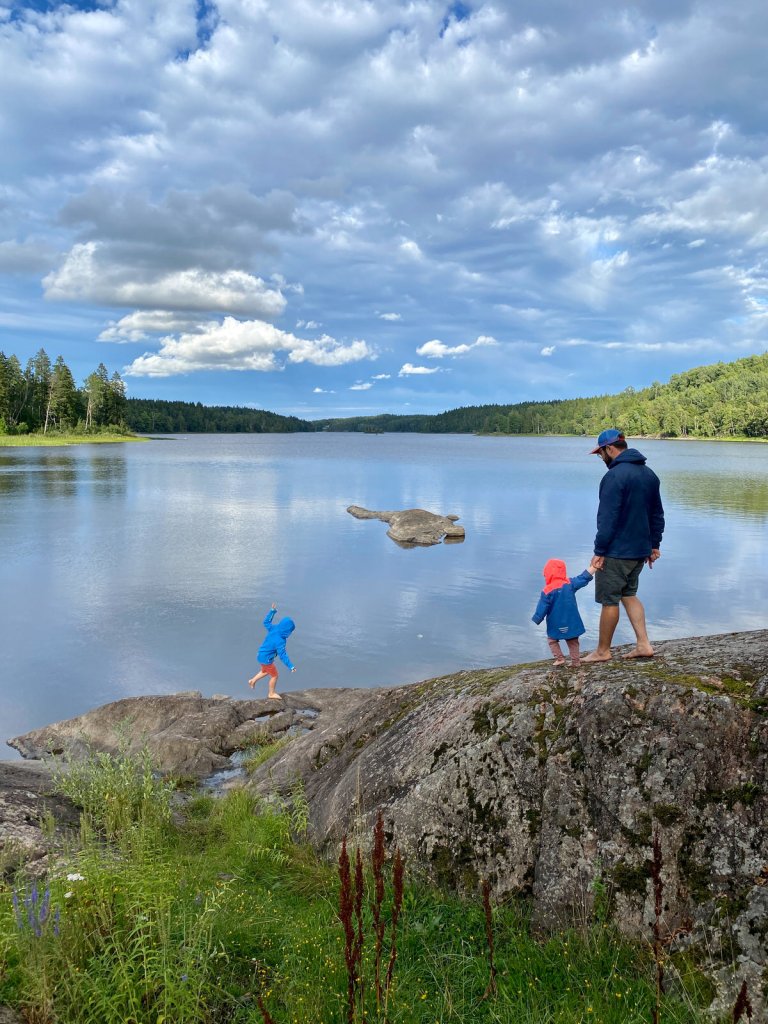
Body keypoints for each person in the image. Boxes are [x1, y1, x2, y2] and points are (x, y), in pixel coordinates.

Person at [582, 429, 665, 663]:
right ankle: (643, 644)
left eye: (600, 454)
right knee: (629, 594)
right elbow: (657, 514)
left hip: (616, 552)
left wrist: (599, 551)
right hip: (639, 551)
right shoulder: (649, 474)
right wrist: (654, 544)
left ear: (609, 449)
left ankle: (602, 651)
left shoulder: (614, 477)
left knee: (609, 600)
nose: (601, 458)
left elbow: (607, 518)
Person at [532, 559, 596, 667]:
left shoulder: (547, 590)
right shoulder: (569, 584)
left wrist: (537, 618)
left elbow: (542, 607)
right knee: (573, 642)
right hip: (571, 622)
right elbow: (583, 577)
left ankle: (560, 658)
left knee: (552, 640)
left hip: (555, 623)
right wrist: (594, 567)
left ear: (547, 574)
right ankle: (576, 661)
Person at [248, 602, 297, 698]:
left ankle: (252, 681)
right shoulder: (280, 641)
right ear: (287, 631)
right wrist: (291, 666)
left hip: (260, 654)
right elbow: (282, 655)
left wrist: (272, 611)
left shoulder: (274, 628)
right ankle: (271, 693)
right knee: (274, 676)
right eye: (290, 631)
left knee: (265, 671)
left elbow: (266, 622)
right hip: (266, 659)